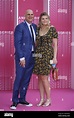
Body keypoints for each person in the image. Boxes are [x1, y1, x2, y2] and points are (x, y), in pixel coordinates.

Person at [10, 9, 37, 110]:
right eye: (28, 14)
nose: (30, 16)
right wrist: (21, 57)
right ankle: (14, 101)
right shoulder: (20, 27)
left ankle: (22, 98)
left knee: (26, 79)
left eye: (32, 14)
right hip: (22, 58)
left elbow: (35, 43)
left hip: (32, 57)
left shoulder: (34, 27)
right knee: (19, 78)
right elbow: (18, 43)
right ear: (24, 16)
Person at [33, 12, 58, 106]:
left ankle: (49, 99)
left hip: (48, 55)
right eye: (43, 18)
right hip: (38, 55)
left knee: (44, 77)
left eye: (46, 18)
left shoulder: (52, 29)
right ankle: (41, 99)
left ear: (49, 19)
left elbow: (55, 45)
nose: (44, 20)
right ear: (40, 20)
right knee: (39, 77)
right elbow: (35, 43)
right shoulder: (37, 29)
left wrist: (54, 57)